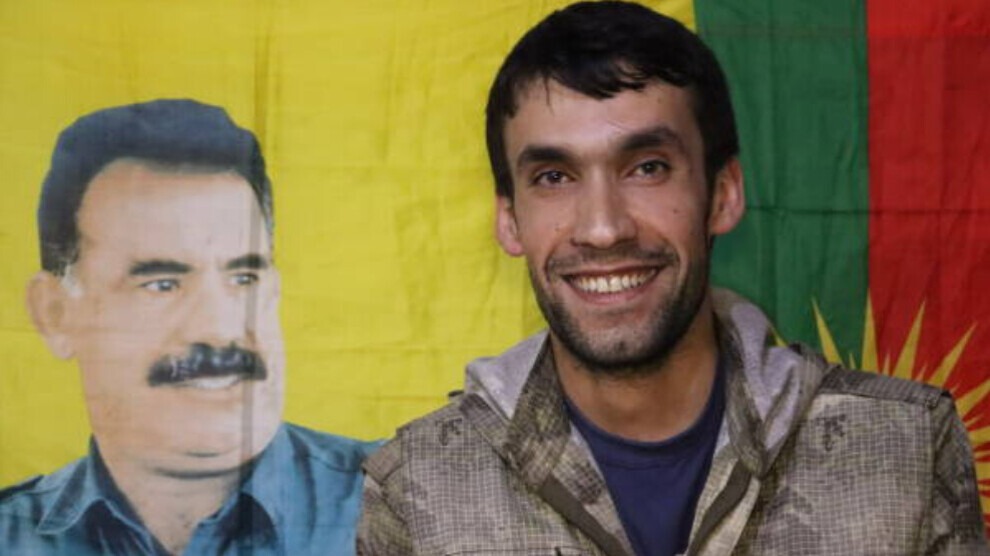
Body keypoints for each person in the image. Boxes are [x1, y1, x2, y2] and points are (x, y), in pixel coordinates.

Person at [357, 2, 988, 555]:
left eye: (647, 167)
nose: (603, 228)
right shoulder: (418, 486)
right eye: (554, 177)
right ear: (509, 219)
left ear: (723, 194)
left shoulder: (904, 448)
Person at [0, 99, 377, 555]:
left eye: (244, 278)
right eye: (162, 284)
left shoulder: (404, 504)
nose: (219, 329)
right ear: (55, 314)